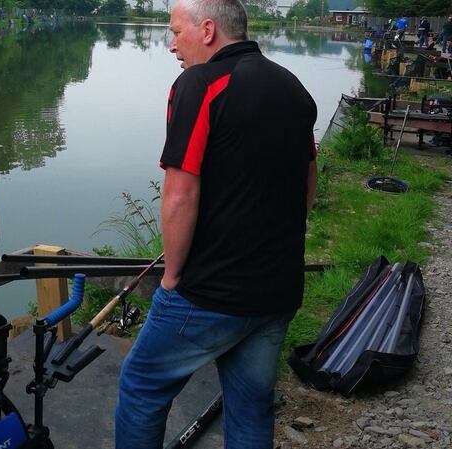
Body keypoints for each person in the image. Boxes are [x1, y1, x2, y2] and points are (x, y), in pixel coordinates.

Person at [114, 1, 317, 448]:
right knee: (249, 404)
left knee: (142, 385)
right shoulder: (293, 88)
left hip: (211, 292)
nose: (171, 45)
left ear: (207, 30)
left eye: (175, 32)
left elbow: (180, 194)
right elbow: (308, 185)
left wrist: (171, 278)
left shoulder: (198, 85)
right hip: (278, 287)